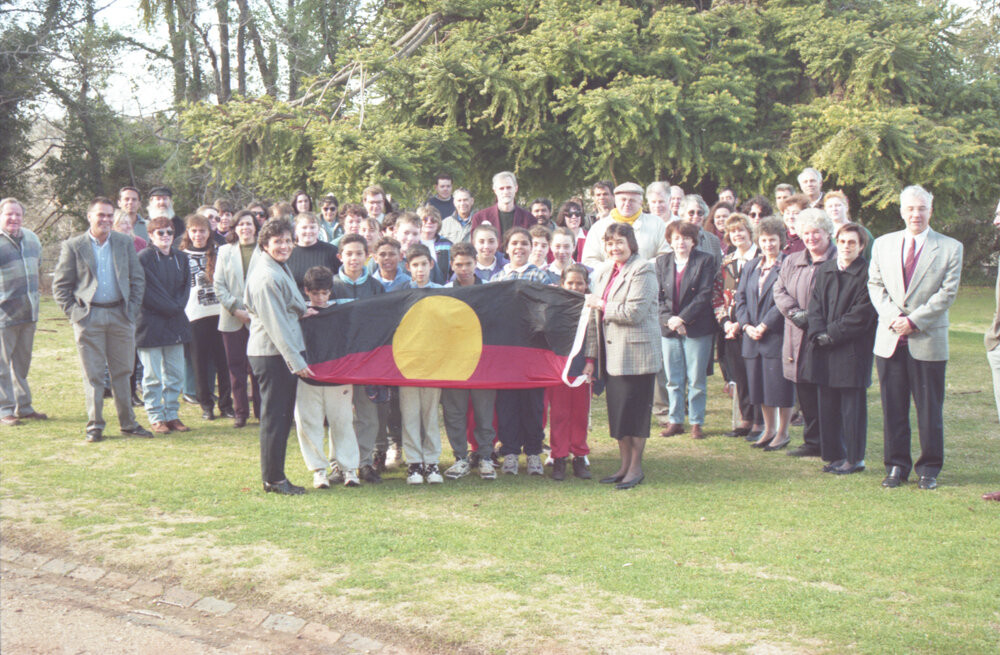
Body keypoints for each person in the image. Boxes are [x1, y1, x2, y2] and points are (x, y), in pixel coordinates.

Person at [868, 185, 963, 490]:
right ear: (901, 211)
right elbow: (875, 285)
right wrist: (894, 319)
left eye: (921, 208)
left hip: (927, 340)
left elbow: (947, 293)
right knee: (893, 407)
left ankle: (929, 468)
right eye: (910, 208)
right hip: (890, 339)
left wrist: (913, 321)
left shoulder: (950, 247)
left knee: (929, 408)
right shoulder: (883, 244)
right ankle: (896, 466)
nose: (916, 214)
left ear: (930, 210)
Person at [53, 197, 152, 442]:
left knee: (124, 372)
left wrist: (130, 312)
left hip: (120, 315)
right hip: (89, 316)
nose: (106, 220)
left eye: (110, 215)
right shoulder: (74, 245)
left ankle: (128, 424)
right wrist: (76, 314)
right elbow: (60, 286)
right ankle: (95, 425)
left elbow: (137, 279)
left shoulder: (123, 242)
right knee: (94, 374)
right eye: (101, 215)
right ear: (90, 217)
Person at [584, 223, 660, 490]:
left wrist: (602, 303)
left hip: (636, 356)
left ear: (631, 244)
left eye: (619, 242)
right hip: (611, 357)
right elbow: (595, 318)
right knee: (619, 415)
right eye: (610, 243)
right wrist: (591, 358)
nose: (614, 247)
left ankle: (636, 468)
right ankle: (624, 465)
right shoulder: (606, 272)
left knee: (635, 415)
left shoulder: (644, 270)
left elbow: (633, 312)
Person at [245, 219, 315, 495]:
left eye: (288, 241)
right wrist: (296, 361)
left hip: (277, 355)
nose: (284, 246)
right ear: (265, 245)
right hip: (272, 355)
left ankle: (276, 475)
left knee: (282, 417)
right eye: (278, 242)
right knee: (275, 417)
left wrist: (303, 310)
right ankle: (273, 479)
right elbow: (277, 325)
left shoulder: (277, 267)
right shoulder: (266, 276)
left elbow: (289, 303)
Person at [799, 223, 876, 475]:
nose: (846, 247)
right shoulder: (827, 270)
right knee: (828, 404)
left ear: (861, 246)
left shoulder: (868, 273)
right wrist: (818, 332)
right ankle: (834, 455)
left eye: (852, 242)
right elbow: (816, 304)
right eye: (842, 241)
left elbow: (862, 313)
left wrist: (830, 334)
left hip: (851, 349)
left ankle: (854, 459)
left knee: (852, 408)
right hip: (824, 348)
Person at [773, 208, 836, 457]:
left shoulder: (837, 260)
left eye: (816, 233)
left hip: (825, 334)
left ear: (827, 233)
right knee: (805, 390)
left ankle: (829, 442)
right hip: (797, 334)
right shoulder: (792, 260)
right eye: (806, 233)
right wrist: (794, 313)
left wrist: (814, 318)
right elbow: (779, 291)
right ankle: (811, 442)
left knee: (826, 391)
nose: (811, 238)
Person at [294, 265, 361, 489]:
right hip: (307, 376)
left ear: (331, 291)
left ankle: (348, 468)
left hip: (338, 378)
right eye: (315, 293)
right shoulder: (298, 313)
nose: (320, 298)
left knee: (342, 422)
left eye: (324, 293)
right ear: (306, 291)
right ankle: (319, 470)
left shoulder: (340, 314)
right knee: (308, 423)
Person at [492, 227, 552, 475]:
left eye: (525, 243)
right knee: (507, 404)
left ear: (532, 247)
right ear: (506, 248)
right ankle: (510, 453)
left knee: (533, 404)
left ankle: (535, 452)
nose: (519, 247)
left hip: (532, 351)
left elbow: (547, 311)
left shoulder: (541, 277)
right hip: (506, 353)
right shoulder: (496, 280)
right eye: (514, 243)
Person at [330, 234, 387, 483]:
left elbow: (382, 323)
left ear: (368, 256)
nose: (354, 258)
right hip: (340, 360)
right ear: (340, 256)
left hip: (367, 360)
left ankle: (364, 463)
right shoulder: (330, 285)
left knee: (367, 414)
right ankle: (338, 465)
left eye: (359, 253)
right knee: (339, 415)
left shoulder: (376, 287)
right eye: (349, 253)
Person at [441, 242, 498, 480]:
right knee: (454, 412)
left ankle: (485, 457)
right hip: (453, 363)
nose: (463, 269)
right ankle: (460, 458)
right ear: (452, 265)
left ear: (476, 263)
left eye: (468, 264)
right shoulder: (443, 292)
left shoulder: (491, 291)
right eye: (459, 264)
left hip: (483, 362)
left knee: (484, 411)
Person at [735, 216, 793, 450]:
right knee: (759, 388)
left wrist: (765, 325)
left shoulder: (788, 264)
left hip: (775, 336)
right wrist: (746, 325)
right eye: (764, 240)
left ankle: (783, 432)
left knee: (779, 387)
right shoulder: (751, 265)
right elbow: (740, 298)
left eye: (773, 240)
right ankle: (768, 429)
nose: (768, 244)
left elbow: (785, 300)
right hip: (751, 337)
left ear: (782, 241)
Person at [656, 221, 717, 440]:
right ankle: (675, 421)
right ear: (670, 241)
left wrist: (683, 319)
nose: (680, 242)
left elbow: (704, 294)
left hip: (697, 327)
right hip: (669, 328)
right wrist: (670, 321)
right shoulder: (662, 262)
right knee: (673, 378)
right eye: (676, 238)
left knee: (696, 379)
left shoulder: (705, 260)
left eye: (685, 238)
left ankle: (696, 422)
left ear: (693, 240)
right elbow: (658, 296)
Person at [136, 216, 192, 434]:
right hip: (150, 323)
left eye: (169, 232)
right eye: (160, 233)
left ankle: (171, 414)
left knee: (175, 373)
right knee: (152, 376)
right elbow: (148, 291)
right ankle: (156, 416)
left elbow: (186, 288)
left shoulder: (181, 258)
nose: (166, 236)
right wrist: (171, 307)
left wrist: (177, 307)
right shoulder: (144, 259)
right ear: (150, 235)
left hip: (176, 322)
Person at [398, 244, 446, 484]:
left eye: (423, 264)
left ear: (431, 265)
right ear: (407, 267)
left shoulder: (443, 292)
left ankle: (432, 461)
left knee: (429, 413)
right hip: (407, 362)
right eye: (414, 265)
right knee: (410, 413)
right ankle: (414, 463)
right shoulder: (400, 292)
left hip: (433, 362)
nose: (419, 269)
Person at [179, 214, 234, 421]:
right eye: (193, 231)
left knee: (223, 361)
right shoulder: (181, 255)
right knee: (199, 363)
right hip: (195, 315)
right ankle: (206, 405)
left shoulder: (219, 252)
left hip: (220, 314)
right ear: (188, 233)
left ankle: (226, 404)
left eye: (202, 230)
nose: (198, 235)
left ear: (209, 232)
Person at [213, 210, 261, 428]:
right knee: (236, 367)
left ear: (255, 226)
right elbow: (218, 285)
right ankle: (240, 411)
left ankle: (261, 410)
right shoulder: (224, 251)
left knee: (258, 367)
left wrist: (253, 313)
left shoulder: (265, 250)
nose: (245, 228)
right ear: (235, 227)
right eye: (241, 224)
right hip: (232, 318)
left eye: (249, 223)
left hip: (259, 317)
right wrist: (235, 309)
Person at [0, 198, 46, 425]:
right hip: (3, 315)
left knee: (22, 365)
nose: (13, 218)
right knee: (1, 365)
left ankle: (24, 406)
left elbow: (38, 267)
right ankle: (4, 410)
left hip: (29, 313)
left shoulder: (32, 238)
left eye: (17, 214)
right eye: (9, 214)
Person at [546, 264, 593, 480]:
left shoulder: (591, 307)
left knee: (580, 414)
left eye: (579, 283)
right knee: (559, 414)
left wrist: (591, 361)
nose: (575, 287)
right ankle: (559, 456)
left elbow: (594, 337)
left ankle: (579, 455)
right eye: (570, 283)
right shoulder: (554, 307)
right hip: (560, 369)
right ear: (562, 284)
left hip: (582, 367)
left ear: (586, 285)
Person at [717, 213, 759, 438]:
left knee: (756, 375)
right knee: (740, 375)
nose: (737, 235)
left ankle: (760, 422)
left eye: (741, 230)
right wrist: (726, 323)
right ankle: (745, 419)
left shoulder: (762, 258)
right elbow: (719, 295)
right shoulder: (726, 261)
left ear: (750, 232)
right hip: (731, 329)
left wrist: (742, 324)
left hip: (754, 327)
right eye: (733, 231)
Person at [582, 182, 669, 267]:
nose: (627, 204)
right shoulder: (599, 227)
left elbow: (666, 255)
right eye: (623, 200)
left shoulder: (656, 224)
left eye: (632, 200)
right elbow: (589, 261)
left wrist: (643, 267)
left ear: (640, 202)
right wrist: (615, 269)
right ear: (616, 201)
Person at [470, 171, 534, 242]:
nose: (505, 192)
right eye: (501, 188)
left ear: (516, 188)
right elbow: (475, 244)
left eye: (509, 187)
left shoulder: (529, 218)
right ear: (495, 191)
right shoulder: (480, 217)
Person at [287, 212, 341, 296]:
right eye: (304, 227)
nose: (308, 231)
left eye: (312, 227)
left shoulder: (332, 251)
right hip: (297, 306)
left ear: (318, 229)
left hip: (328, 304)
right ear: (296, 230)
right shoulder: (287, 254)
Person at [823, 190, 873, 261]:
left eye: (838, 205)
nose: (834, 209)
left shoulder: (861, 231)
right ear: (826, 210)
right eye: (830, 206)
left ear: (846, 207)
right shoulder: (824, 234)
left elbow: (872, 257)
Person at [679, 194, 723, 267]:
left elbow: (718, 269)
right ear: (683, 215)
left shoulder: (713, 240)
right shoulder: (675, 238)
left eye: (700, 213)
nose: (696, 216)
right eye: (691, 213)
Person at [416, 204, 452, 284]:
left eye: (433, 220)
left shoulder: (447, 244)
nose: (429, 222)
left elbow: (453, 270)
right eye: (425, 219)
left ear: (438, 223)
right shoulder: (413, 243)